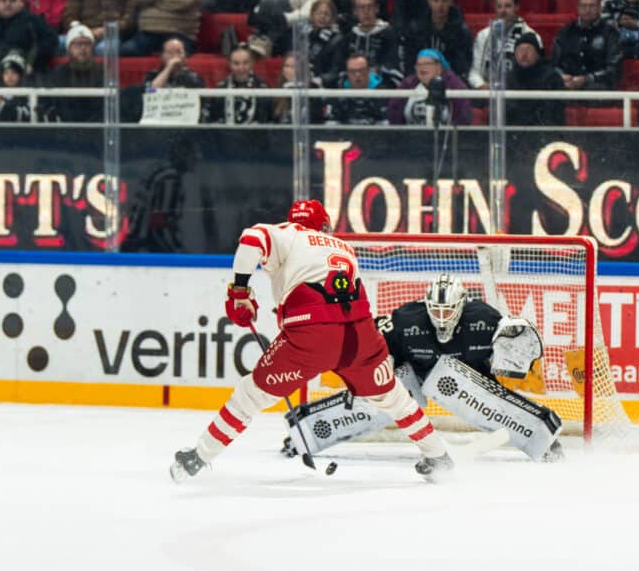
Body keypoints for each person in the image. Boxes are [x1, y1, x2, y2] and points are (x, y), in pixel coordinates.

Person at [169, 200, 455, 481]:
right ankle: (438, 455)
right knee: (393, 396)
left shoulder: (287, 233)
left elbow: (251, 239)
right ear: (325, 225)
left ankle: (197, 458)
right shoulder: (344, 248)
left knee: (249, 395)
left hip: (311, 337)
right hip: (360, 335)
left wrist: (239, 292)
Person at [283, 272, 565, 462]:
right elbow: (372, 343)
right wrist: (365, 377)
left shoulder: (485, 319)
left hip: (472, 378)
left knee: (479, 396)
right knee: (383, 397)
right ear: (426, 304)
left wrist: (514, 351)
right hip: (415, 374)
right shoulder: (407, 320)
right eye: (436, 310)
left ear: (461, 305)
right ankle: (305, 433)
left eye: (448, 310)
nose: (442, 317)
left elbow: (512, 350)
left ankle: (542, 439)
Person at [468, 0, 541, 90]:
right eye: (499, 6)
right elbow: (474, 72)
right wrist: (482, 85)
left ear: (516, 7)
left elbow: (538, 73)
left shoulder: (532, 36)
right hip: (490, 95)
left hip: (520, 95)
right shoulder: (483, 36)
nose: (503, 11)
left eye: (507, 6)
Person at [398, 0, 472, 83]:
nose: (440, 5)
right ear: (429, 1)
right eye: (436, 0)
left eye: (444, 0)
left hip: (451, 82)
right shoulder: (415, 29)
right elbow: (409, 63)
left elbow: (462, 66)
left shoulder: (462, 31)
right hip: (419, 80)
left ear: (451, 2)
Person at [551, 0, 623, 91]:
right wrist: (562, 76)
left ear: (599, 8)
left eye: (592, 6)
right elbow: (553, 64)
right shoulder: (565, 32)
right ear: (578, 8)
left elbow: (614, 69)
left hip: (598, 88)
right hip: (566, 86)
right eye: (584, 6)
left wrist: (586, 79)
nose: (588, 10)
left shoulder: (611, 33)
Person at [330, 0, 403, 88]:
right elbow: (339, 69)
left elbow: (395, 69)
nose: (366, 11)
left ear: (377, 8)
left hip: (381, 90)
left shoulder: (390, 35)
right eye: (361, 7)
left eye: (370, 6)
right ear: (355, 11)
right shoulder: (348, 37)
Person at [120, 0, 202, 56]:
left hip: (178, 34)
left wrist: (151, 0)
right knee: (125, 51)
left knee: (175, 54)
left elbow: (184, 0)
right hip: (147, 34)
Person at [60, 0, 139, 55]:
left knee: (103, 49)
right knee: (58, 42)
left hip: (112, 34)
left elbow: (129, 21)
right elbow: (69, 15)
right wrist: (82, 29)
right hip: (82, 32)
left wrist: (105, 30)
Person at [248, 0, 324, 56]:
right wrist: (257, 14)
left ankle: (264, 44)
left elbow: (308, 14)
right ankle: (262, 44)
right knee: (268, 4)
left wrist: (284, 17)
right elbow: (261, 6)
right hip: (272, 24)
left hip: (295, 29)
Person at [387, 48, 472, 126]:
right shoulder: (408, 84)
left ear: (439, 68)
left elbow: (463, 117)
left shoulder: (454, 86)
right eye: (418, 65)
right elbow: (394, 113)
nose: (422, 68)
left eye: (427, 64)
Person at [42, 22, 105, 122]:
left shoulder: (102, 72)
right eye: (78, 44)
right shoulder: (58, 74)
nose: (83, 48)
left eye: (87, 44)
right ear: (69, 48)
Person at [204, 43, 274, 124]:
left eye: (245, 63)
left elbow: (269, 121)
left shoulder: (262, 88)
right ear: (229, 64)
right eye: (236, 63)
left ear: (252, 63)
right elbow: (212, 120)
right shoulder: (221, 89)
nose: (241, 68)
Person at [506, 33, 565, 126]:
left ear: (538, 54)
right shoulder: (508, 79)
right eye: (520, 50)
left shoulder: (552, 78)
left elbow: (552, 114)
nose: (524, 54)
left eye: (528, 50)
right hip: (512, 133)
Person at [323, 52, 388, 124]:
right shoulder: (338, 93)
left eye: (361, 70)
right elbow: (331, 126)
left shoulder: (383, 93)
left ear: (368, 71)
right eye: (352, 71)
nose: (357, 74)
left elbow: (385, 126)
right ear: (347, 73)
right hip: (344, 134)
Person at [0, 50, 32, 122]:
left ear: (20, 76)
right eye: (6, 73)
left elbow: (25, 117)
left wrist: (1, 105)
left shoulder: (27, 95)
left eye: (14, 73)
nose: (9, 76)